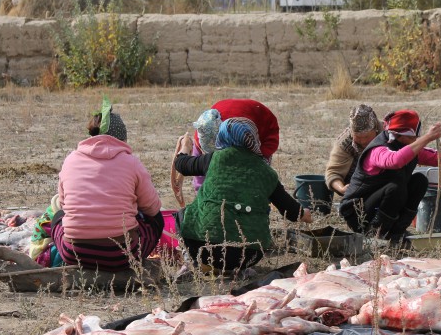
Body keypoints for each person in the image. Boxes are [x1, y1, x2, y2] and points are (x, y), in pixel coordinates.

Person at [174, 116, 312, 273]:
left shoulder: (216, 158)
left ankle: (194, 263)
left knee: (183, 214)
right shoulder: (266, 171)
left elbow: (182, 165)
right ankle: (238, 269)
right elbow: (291, 211)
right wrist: (305, 214)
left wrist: (185, 146)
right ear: (253, 139)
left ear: (222, 136)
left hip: (204, 249)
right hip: (250, 254)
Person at [51, 99, 164, 272]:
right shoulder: (131, 162)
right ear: (122, 138)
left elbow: (64, 205)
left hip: (74, 253)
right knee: (157, 219)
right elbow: (152, 208)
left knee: (57, 216)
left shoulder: (70, 160)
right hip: (122, 255)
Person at [339, 109, 441, 244]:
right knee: (395, 187)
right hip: (357, 213)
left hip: (379, 205)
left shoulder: (405, 145)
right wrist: (427, 138)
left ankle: (396, 232)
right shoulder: (377, 149)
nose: (416, 140)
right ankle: (375, 233)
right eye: (413, 137)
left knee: (419, 181)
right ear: (400, 135)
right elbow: (395, 160)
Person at [190, 99, 280, 193]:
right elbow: (195, 168)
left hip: (260, 119)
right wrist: (200, 192)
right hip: (224, 112)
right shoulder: (202, 132)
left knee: (254, 176)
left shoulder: (242, 136)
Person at [325, 104, 383, 196]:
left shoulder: (387, 134)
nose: (363, 141)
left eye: (366, 137)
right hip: (356, 185)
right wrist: (342, 189)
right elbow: (333, 173)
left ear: (375, 129)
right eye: (358, 137)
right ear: (352, 133)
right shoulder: (344, 142)